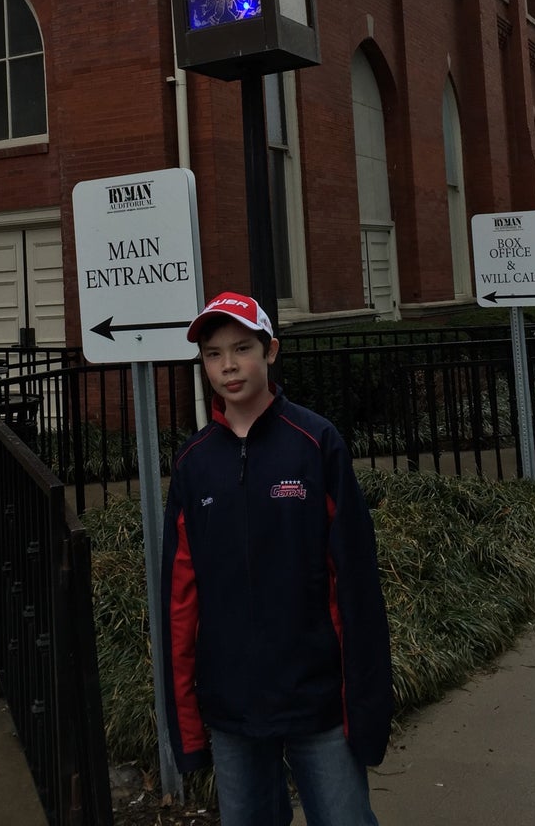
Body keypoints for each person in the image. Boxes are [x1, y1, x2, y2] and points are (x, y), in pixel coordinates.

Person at [161, 292, 393, 826]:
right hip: (232, 705)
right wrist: (188, 719)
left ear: (271, 352)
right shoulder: (194, 465)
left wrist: (365, 702)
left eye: (241, 348)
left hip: (317, 699)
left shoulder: (316, 443)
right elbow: (180, 600)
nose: (228, 366)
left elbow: (356, 583)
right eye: (214, 354)